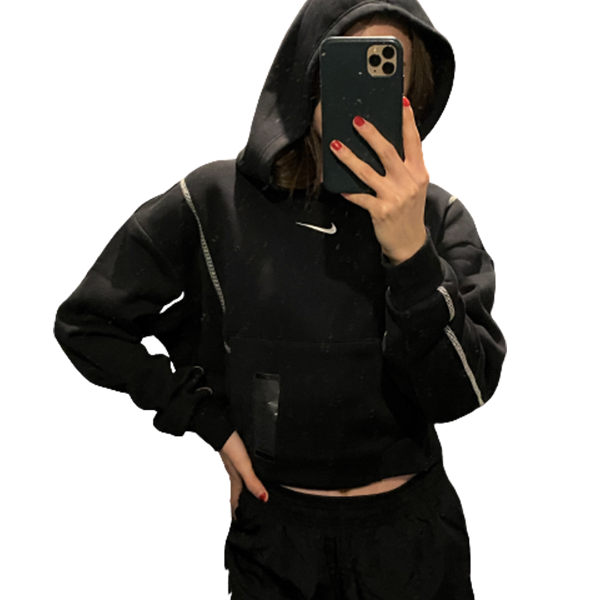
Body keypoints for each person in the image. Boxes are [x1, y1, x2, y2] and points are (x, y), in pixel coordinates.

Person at [54, 0, 506, 597]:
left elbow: (461, 394)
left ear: (414, 93)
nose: (366, 91)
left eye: (388, 70)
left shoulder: (438, 218)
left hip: (412, 545)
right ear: (307, 70)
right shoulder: (217, 200)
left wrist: (411, 257)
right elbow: (88, 323)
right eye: (348, 63)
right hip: (276, 541)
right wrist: (208, 422)